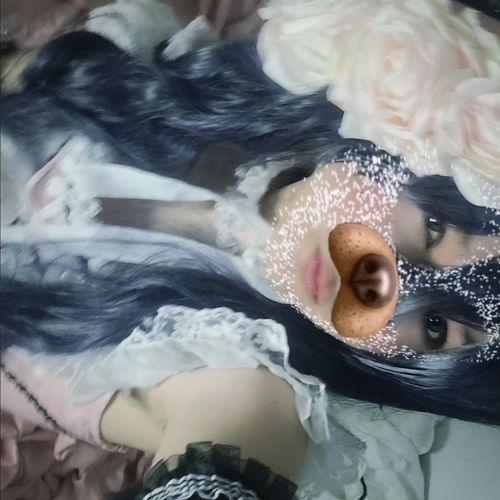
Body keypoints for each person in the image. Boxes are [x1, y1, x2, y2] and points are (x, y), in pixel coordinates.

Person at [1, 0, 499, 498]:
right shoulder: (166, 58)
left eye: (436, 327)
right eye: (434, 227)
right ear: (400, 136)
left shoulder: (235, 364)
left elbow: (233, 428)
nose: (374, 284)